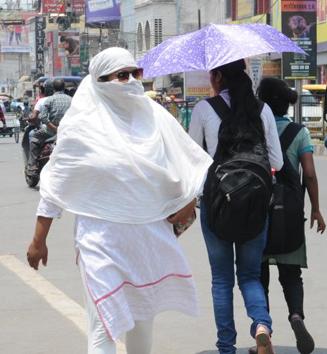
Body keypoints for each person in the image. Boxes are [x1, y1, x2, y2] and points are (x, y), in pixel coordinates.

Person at [26, 47, 212, 354]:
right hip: (101, 243)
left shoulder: (154, 118)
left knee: (142, 322)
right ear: (100, 81)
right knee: (103, 326)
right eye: (121, 76)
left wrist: (186, 201)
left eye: (135, 74)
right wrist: (38, 240)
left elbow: (185, 164)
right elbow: (56, 185)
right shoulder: (81, 126)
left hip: (148, 240)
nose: (131, 82)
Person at [188, 59, 283, 354]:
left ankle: (226, 347)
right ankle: (261, 325)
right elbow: (276, 162)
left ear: (217, 77)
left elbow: (192, 159)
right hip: (255, 202)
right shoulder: (263, 110)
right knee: (250, 275)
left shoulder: (204, 109)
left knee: (221, 280)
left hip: (216, 204)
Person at [256, 78, 326, 354]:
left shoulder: (255, 128)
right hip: (290, 211)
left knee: (258, 273)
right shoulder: (300, 133)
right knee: (291, 273)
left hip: (258, 211)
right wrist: (317, 209)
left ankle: (264, 330)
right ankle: (296, 315)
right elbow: (308, 173)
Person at [27, 79, 72, 175]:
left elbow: (43, 117)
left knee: (34, 138)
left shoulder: (49, 100)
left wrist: (54, 128)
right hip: (67, 131)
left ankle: (33, 165)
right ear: (64, 88)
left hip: (50, 131)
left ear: (53, 89)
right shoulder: (71, 100)